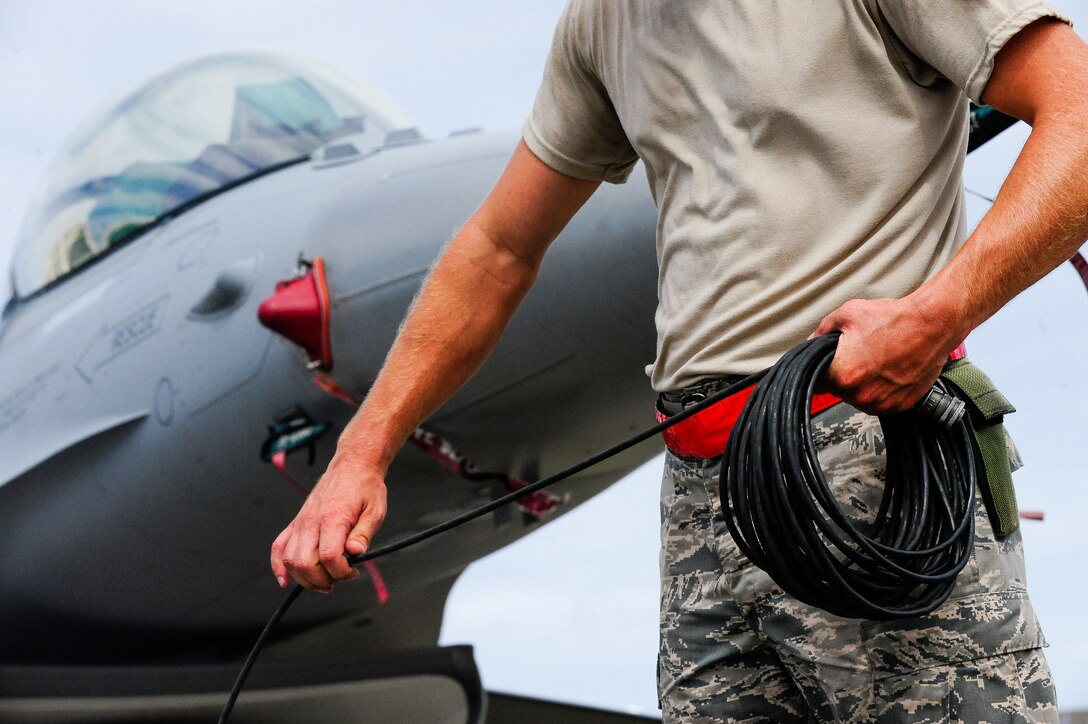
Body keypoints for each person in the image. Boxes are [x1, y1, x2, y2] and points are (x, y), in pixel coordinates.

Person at [271, 1, 1088, 720]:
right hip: (706, 501)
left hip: (874, 459)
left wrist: (936, 314)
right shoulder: (602, 21)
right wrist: (358, 456)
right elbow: (496, 249)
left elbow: (1079, 112)